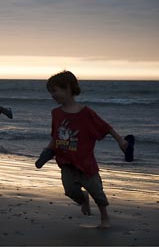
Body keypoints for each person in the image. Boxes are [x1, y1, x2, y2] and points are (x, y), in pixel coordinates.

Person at [39, 70, 129, 229]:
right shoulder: (56, 113)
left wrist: (120, 140)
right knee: (70, 190)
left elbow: (105, 127)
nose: (52, 95)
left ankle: (105, 219)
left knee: (97, 191)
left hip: (85, 162)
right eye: (50, 92)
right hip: (66, 162)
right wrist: (48, 150)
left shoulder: (86, 113)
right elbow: (55, 136)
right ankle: (83, 199)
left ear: (67, 88)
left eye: (54, 91)